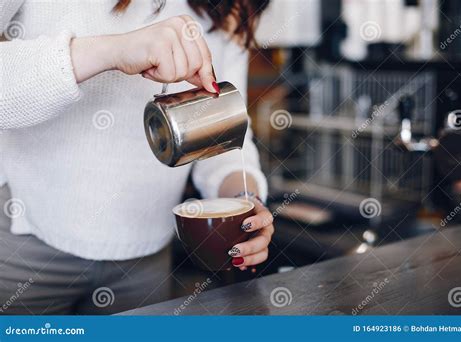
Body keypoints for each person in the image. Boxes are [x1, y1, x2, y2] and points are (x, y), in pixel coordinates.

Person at [0, 0, 273, 314]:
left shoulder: (229, 6)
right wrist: (113, 51)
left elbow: (221, 134)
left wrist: (244, 200)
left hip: (146, 259)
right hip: (26, 243)